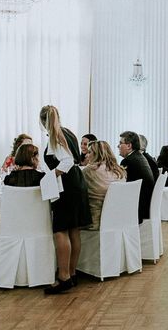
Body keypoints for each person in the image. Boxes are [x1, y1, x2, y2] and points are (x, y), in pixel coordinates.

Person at [39, 105, 91, 294]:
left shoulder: (55, 136)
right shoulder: (68, 133)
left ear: (42, 121)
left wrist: (51, 176)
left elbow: (67, 161)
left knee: (60, 230)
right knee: (73, 229)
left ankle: (63, 277)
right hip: (77, 182)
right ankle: (72, 273)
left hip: (65, 186)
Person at [83, 141, 127, 230]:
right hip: (116, 218)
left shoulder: (89, 170)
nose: (86, 155)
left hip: (95, 220)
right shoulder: (120, 171)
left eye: (89, 152)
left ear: (97, 154)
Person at [118, 131, 155, 224]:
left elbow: (122, 185)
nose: (118, 146)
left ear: (129, 146)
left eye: (120, 143)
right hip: (146, 204)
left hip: (138, 208)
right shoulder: (140, 156)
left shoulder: (127, 161)